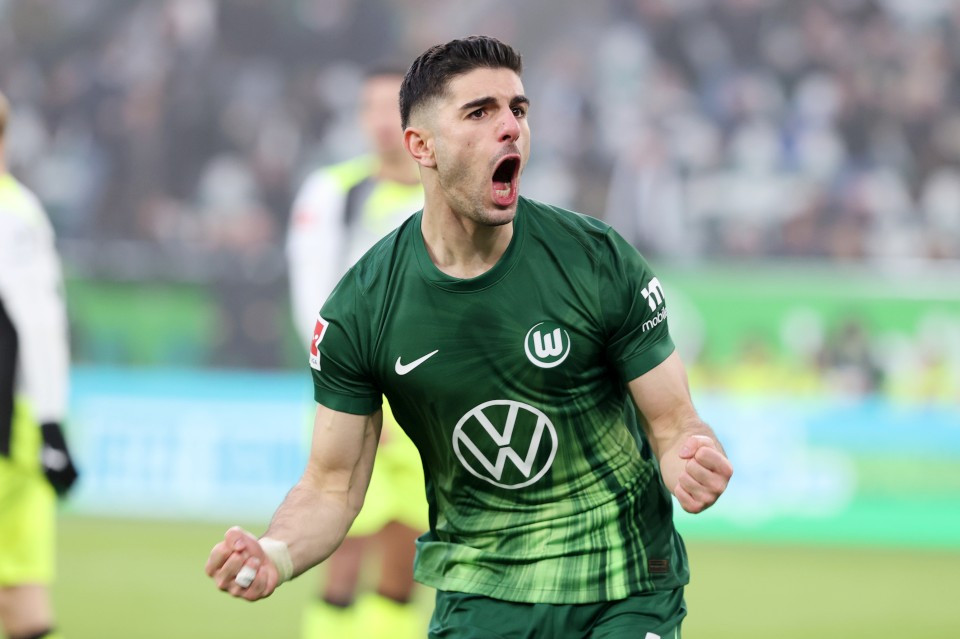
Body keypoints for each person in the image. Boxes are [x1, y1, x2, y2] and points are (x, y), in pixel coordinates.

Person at [206, 36, 733, 638]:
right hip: (480, 596)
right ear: (421, 146)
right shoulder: (362, 307)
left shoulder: (596, 260)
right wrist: (275, 554)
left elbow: (673, 422)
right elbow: (332, 485)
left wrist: (689, 454)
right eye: (480, 112)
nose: (510, 127)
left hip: (624, 587)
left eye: (518, 109)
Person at [285, 66, 427, 639]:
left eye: (392, 107)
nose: (380, 122)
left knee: (406, 560)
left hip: (429, 398)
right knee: (341, 550)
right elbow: (312, 303)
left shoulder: (447, 192)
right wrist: (361, 394)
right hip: (354, 395)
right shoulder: (334, 192)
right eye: (370, 108)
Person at [0, 90, 79, 639]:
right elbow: (39, 325)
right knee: (22, 589)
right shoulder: (15, 213)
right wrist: (53, 426)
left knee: (22, 593)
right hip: (13, 425)